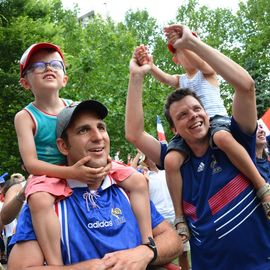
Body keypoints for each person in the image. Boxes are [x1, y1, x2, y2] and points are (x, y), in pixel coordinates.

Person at [125, 24, 270, 269]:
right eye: (182, 115)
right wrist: (137, 76)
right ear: (174, 130)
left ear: (205, 111)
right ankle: (180, 220)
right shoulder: (175, 158)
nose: (193, 116)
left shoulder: (235, 138)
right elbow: (134, 133)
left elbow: (245, 86)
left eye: (196, 109)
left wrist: (191, 43)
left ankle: (262, 188)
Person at [15, 42, 154, 265]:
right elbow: (31, 164)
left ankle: (148, 242)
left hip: (80, 167)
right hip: (49, 173)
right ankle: (56, 263)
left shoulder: (73, 107)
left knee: (137, 179)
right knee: (40, 200)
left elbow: (94, 141)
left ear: (65, 79)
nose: (48, 68)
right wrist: (71, 172)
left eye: (55, 64)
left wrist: (105, 163)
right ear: (25, 82)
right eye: (38, 65)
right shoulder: (25, 116)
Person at [8, 99, 182, 270]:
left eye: (101, 128)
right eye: (84, 130)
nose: (98, 137)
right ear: (63, 146)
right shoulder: (45, 199)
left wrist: (146, 252)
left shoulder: (127, 188)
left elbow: (173, 240)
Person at [132, 150, 190, 270]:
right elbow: (130, 171)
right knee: (161, 258)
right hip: (159, 220)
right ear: (145, 160)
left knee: (184, 251)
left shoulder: (166, 172)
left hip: (175, 216)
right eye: (149, 156)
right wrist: (139, 154)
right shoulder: (143, 176)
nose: (152, 158)